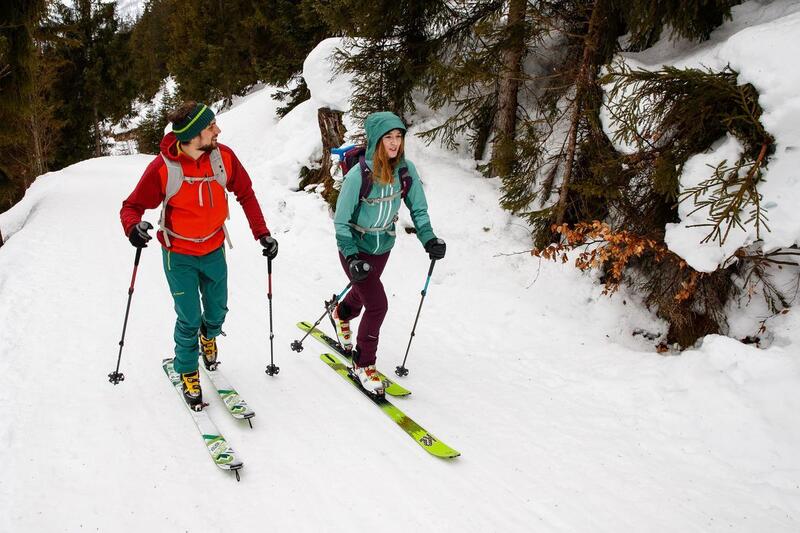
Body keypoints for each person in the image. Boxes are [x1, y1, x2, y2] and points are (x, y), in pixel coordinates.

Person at [120, 101, 278, 410]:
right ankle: (188, 371)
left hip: (214, 248)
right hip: (178, 254)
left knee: (217, 312)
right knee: (189, 317)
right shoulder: (164, 168)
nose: (218, 130)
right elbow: (131, 206)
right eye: (210, 126)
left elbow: (245, 193)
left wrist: (262, 233)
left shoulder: (223, 158)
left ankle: (210, 336)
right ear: (192, 135)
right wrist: (133, 227)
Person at [332, 111, 446, 393]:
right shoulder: (359, 175)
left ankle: (341, 314)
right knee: (377, 304)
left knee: (363, 291)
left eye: (398, 136)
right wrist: (351, 256)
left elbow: (418, 208)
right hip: (355, 246)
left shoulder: (405, 171)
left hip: (383, 246)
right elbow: (341, 221)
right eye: (388, 138)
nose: (395, 143)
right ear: (376, 140)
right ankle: (363, 363)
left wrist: (429, 238)